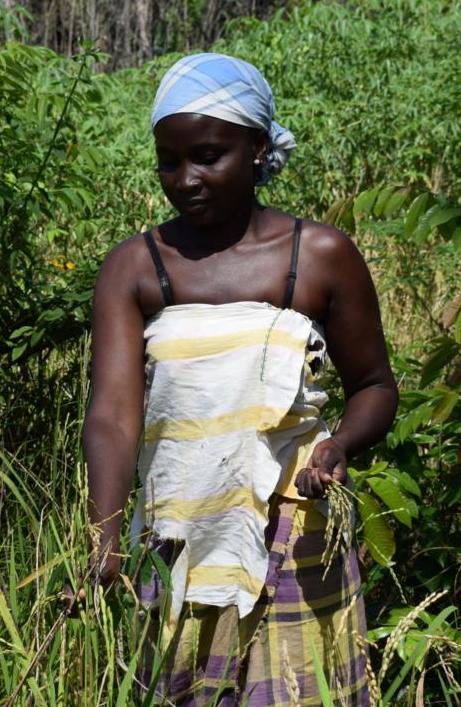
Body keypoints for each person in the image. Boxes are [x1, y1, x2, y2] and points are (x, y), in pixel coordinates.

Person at [74, 53, 398, 706]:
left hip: (294, 528)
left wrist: (337, 450)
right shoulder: (135, 268)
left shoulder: (320, 257)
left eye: (207, 155)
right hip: (176, 536)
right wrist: (104, 535)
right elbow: (112, 414)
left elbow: (375, 385)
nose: (185, 179)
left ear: (256, 147)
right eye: (170, 160)